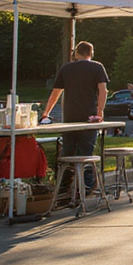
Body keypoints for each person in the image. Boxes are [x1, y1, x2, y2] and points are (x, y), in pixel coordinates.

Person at [41, 40, 109, 194]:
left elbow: (56, 92)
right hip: (90, 116)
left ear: (76, 53)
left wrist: (47, 112)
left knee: (68, 152)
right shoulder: (97, 67)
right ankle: (86, 187)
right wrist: (100, 111)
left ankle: (64, 186)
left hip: (70, 116)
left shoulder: (66, 68)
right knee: (86, 152)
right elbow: (103, 91)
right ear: (91, 53)